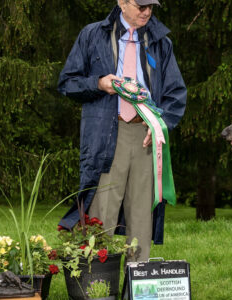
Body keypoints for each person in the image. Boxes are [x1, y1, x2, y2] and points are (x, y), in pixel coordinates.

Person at [57, 0, 187, 262]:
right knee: (100, 215)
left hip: (145, 136)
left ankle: (137, 288)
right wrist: (98, 83)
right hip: (106, 136)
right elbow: (67, 83)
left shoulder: (162, 42)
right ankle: (96, 288)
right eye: (141, 5)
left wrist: (161, 125)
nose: (147, 11)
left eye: (151, 6)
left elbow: (176, 94)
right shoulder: (92, 35)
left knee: (141, 218)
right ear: (122, 2)